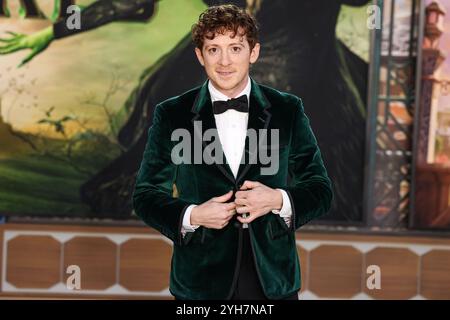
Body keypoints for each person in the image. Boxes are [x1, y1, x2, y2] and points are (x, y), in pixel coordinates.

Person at [132, 4, 333, 300]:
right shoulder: (172, 114)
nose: (224, 61)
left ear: (254, 53)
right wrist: (194, 214)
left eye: (235, 48)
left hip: (272, 280)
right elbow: (145, 195)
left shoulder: (287, 110)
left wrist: (277, 199)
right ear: (200, 56)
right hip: (200, 282)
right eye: (214, 49)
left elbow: (320, 190)